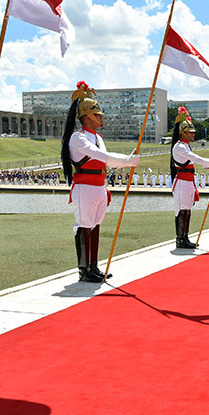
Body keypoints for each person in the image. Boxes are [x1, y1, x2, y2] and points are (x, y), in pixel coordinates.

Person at [62, 82, 139, 283]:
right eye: (98, 115)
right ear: (86, 116)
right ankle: (83, 269)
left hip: (98, 185)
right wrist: (126, 161)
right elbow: (100, 155)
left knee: (95, 226)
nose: (101, 118)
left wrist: (125, 163)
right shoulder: (77, 138)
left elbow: (105, 160)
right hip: (85, 186)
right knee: (84, 225)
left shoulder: (97, 137)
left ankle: (93, 266)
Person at [170, 107, 209, 249]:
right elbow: (197, 159)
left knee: (187, 209)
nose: (193, 135)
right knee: (182, 210)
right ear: (183, 133)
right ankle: (180, 239)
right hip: (182, 182)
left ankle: (185, 236)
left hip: (188, 182)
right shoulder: (180, 147)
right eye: (190, 132)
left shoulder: (185, 147)